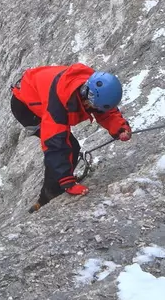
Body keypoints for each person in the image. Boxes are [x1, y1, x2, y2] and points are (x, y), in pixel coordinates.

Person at [11, 63, 131, 208]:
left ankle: (55, 186)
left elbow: (105, 111)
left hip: (36, 89)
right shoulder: (60, 102)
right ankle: (49, 195)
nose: (94, 110)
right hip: (25, 107)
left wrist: (120, 128)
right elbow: (54, 143)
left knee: (70, 146)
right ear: (87, 97)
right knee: (69, 146)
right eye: (93, 107)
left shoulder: (92, 85)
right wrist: (67, 182)